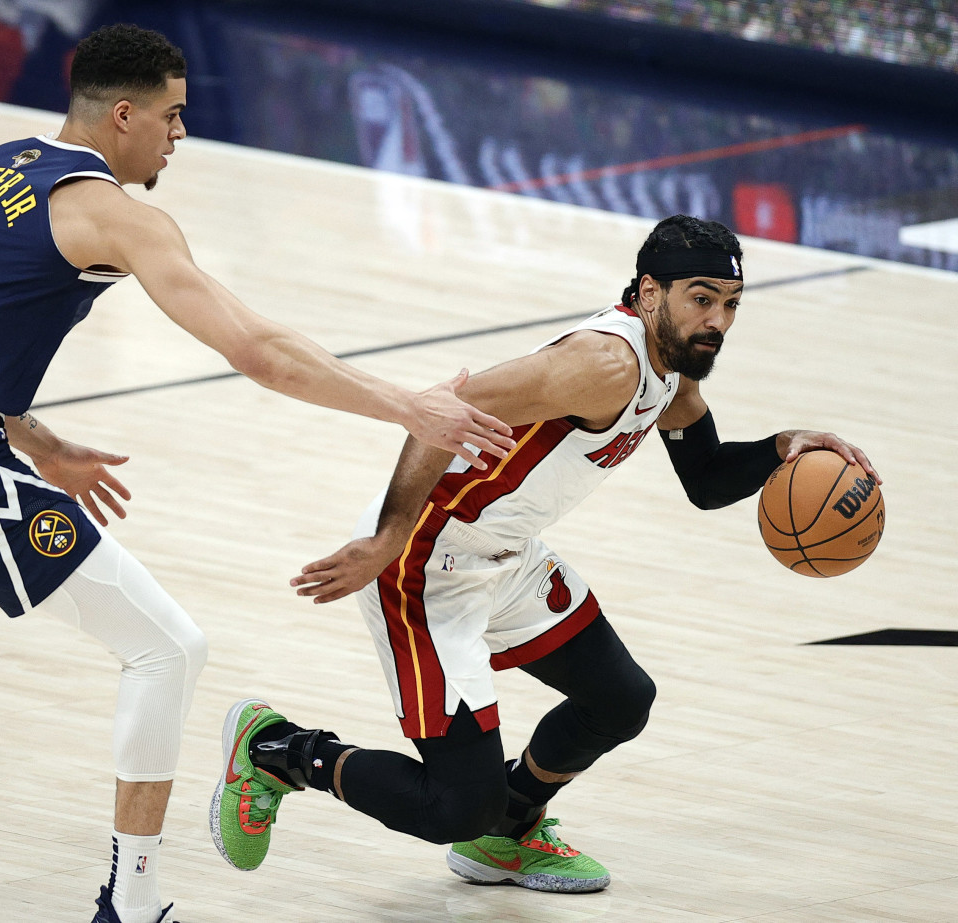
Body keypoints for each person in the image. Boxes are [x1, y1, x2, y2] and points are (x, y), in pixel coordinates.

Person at [0, 23, 515, 923]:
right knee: (168, 647)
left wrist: (35, 439)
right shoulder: (116, 214)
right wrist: (405, 405)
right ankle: (135, 903)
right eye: (172, 115)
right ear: (124, 114)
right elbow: (261, 350)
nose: (179, 135)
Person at [211, 214, 881, 893]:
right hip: (424, 560)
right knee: (455, 806)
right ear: (651, 293)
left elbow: (705, 479)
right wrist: (387, 536)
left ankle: (510, 830)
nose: (718, 319)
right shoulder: (605, 364)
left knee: (621, 699)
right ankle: (281, 752)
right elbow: (445, 406)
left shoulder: (672, 368)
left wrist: (783, 446)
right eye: (701, 298)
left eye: (730, 303)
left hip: (506, 556)